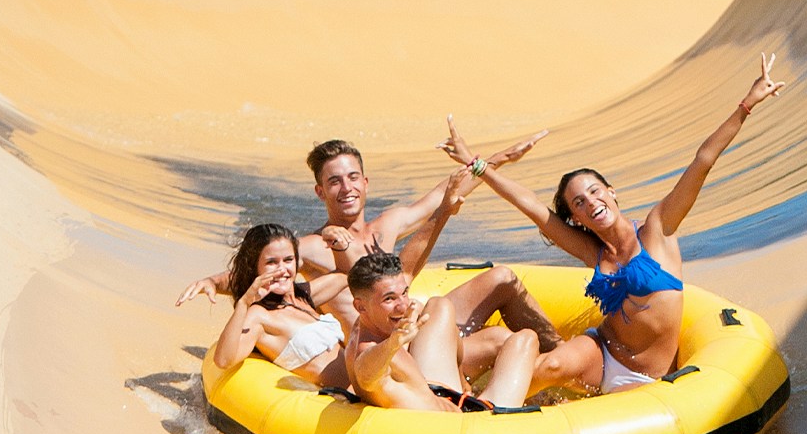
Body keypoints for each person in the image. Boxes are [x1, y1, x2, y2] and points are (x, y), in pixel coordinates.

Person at [441, 54, 786, 395]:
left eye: (595, 192)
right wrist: (477, 164)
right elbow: (529, 204)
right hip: (601, 354)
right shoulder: (594, 250)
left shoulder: (658, 230)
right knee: (549, 367)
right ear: (576, 218)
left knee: (557, 374)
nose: (591, 203)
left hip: (646, 377)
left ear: (611, 192)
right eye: (579, 203)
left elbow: (703, 161)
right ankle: (472, 410)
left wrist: (747, 105)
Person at [177, 133, 564, 362]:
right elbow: (268, 267)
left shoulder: (389, 223)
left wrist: (498, 159)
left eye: (352, 178)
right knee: (500, 341)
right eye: (334, 182)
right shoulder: (314, 246)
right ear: (320, 191)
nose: (345, 188)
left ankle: (560, 355)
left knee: (502, 278)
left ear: (366, 183)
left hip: (417, 326)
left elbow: (447, 195)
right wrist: (213, 280)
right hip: (384, 350)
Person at [346, 250, 538, 412]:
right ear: (360, 306)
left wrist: (461, 377)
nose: (403, 306)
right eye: (389, 299)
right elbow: (365, 373)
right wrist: (393, 343)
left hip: (441, 393)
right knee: (526, 340)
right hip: (471, 425)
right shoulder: (371, 353)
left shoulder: (365, 323)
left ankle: (464, 383)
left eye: (403, 293)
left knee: (439, 305)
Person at [209, 224, 352, 389]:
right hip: (344, 402)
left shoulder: (302, 297)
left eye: (288, 260)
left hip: (365, 393)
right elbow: (223, 360)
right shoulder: (259, 315)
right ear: (254, 267)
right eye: (271, 262)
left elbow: (346, 276)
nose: (282, 269)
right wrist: (243, 303)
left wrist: (335, 241)